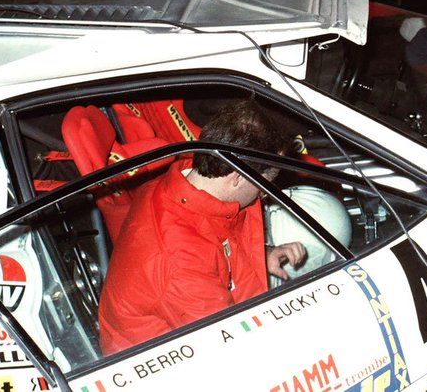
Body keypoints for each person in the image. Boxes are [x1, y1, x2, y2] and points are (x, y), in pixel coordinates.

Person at [98, 99, 306, 355]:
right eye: (266, 183)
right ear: (237, 177)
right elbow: (236, 351)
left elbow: (216, 239)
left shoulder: (185, 179)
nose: (266, 194)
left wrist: (262, 254)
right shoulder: (181, 264)